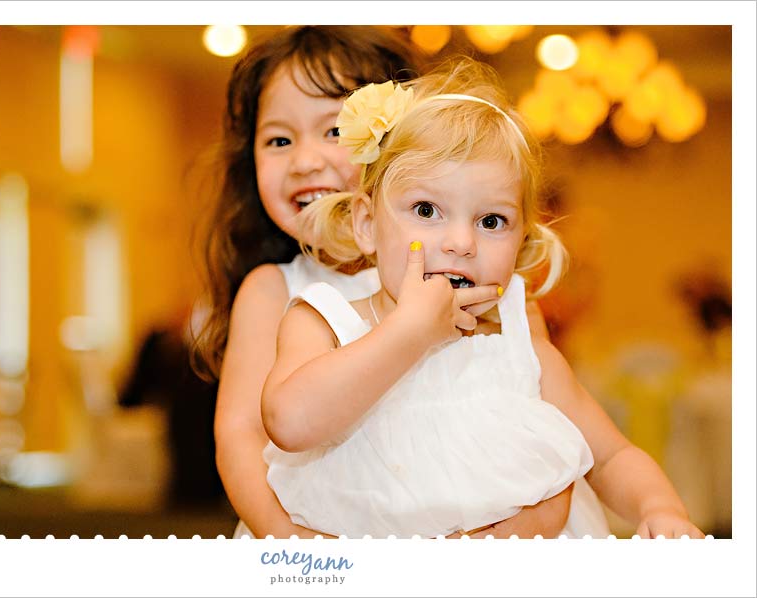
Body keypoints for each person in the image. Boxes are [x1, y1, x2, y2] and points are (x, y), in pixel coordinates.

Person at [261, 58, 706, 539]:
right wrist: (407, 333)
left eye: (491, 221)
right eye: (426, 210)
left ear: (520, 241)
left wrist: (659, 508)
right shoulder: (325, 322)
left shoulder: (518, 344)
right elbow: (289, 422)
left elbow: (610, 455)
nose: (461, 242)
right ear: (367, 224)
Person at [192, 26, 568, 539]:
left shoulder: (481, 286)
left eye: (335, 131)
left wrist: (506, 536)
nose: (304, 161)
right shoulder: (273, 289)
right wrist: (299, 544)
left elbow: (546, 427)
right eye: (279, 140)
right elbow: (242, 436)